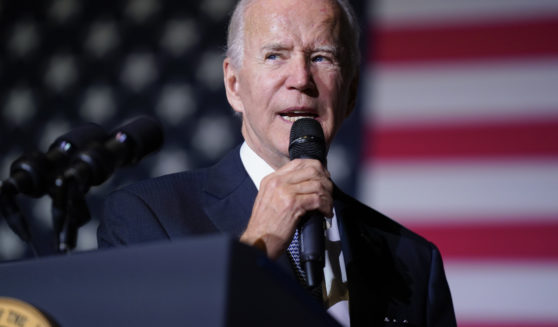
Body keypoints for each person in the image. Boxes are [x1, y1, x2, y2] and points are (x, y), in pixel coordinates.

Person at [98, 0, 457, 325]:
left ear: (350, 94)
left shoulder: (414, 261)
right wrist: (255, 247)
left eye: (322, 57)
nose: (301, 79)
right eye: (275, 56)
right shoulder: (146, 219)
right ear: (234, 84)